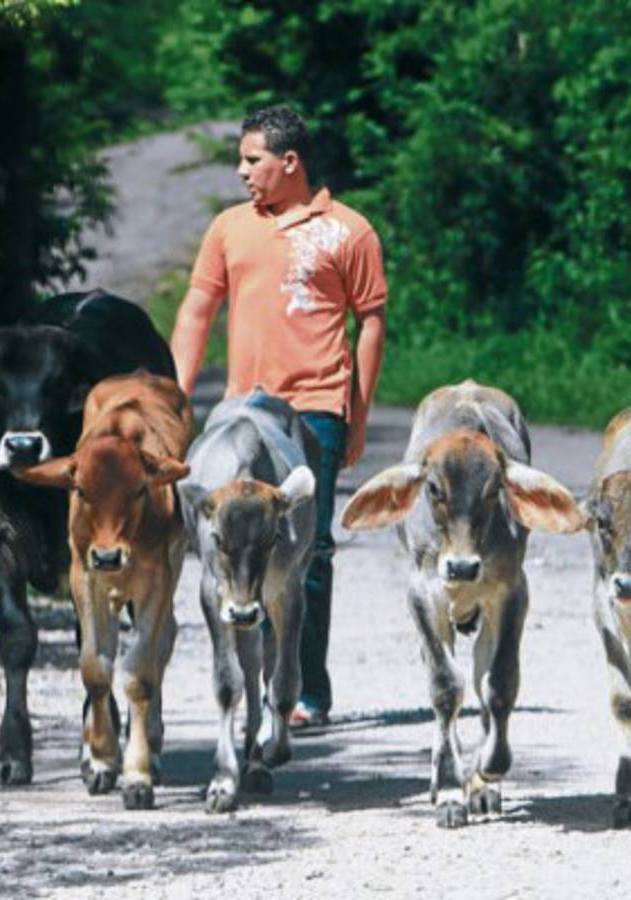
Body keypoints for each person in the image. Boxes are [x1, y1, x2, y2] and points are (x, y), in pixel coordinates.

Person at [170, 106, 387, 728]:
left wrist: (358, 413)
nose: (242, 171)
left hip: (316, 405)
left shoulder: (349, 231)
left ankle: (304, 691)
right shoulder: (229, 228)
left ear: (288, 162)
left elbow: (370, 322)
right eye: (242, 159)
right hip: (241, 406)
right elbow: (196, 309)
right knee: (236, 541)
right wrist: (176, 396)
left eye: (252, 159)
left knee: (308, 549)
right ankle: (255, 677)